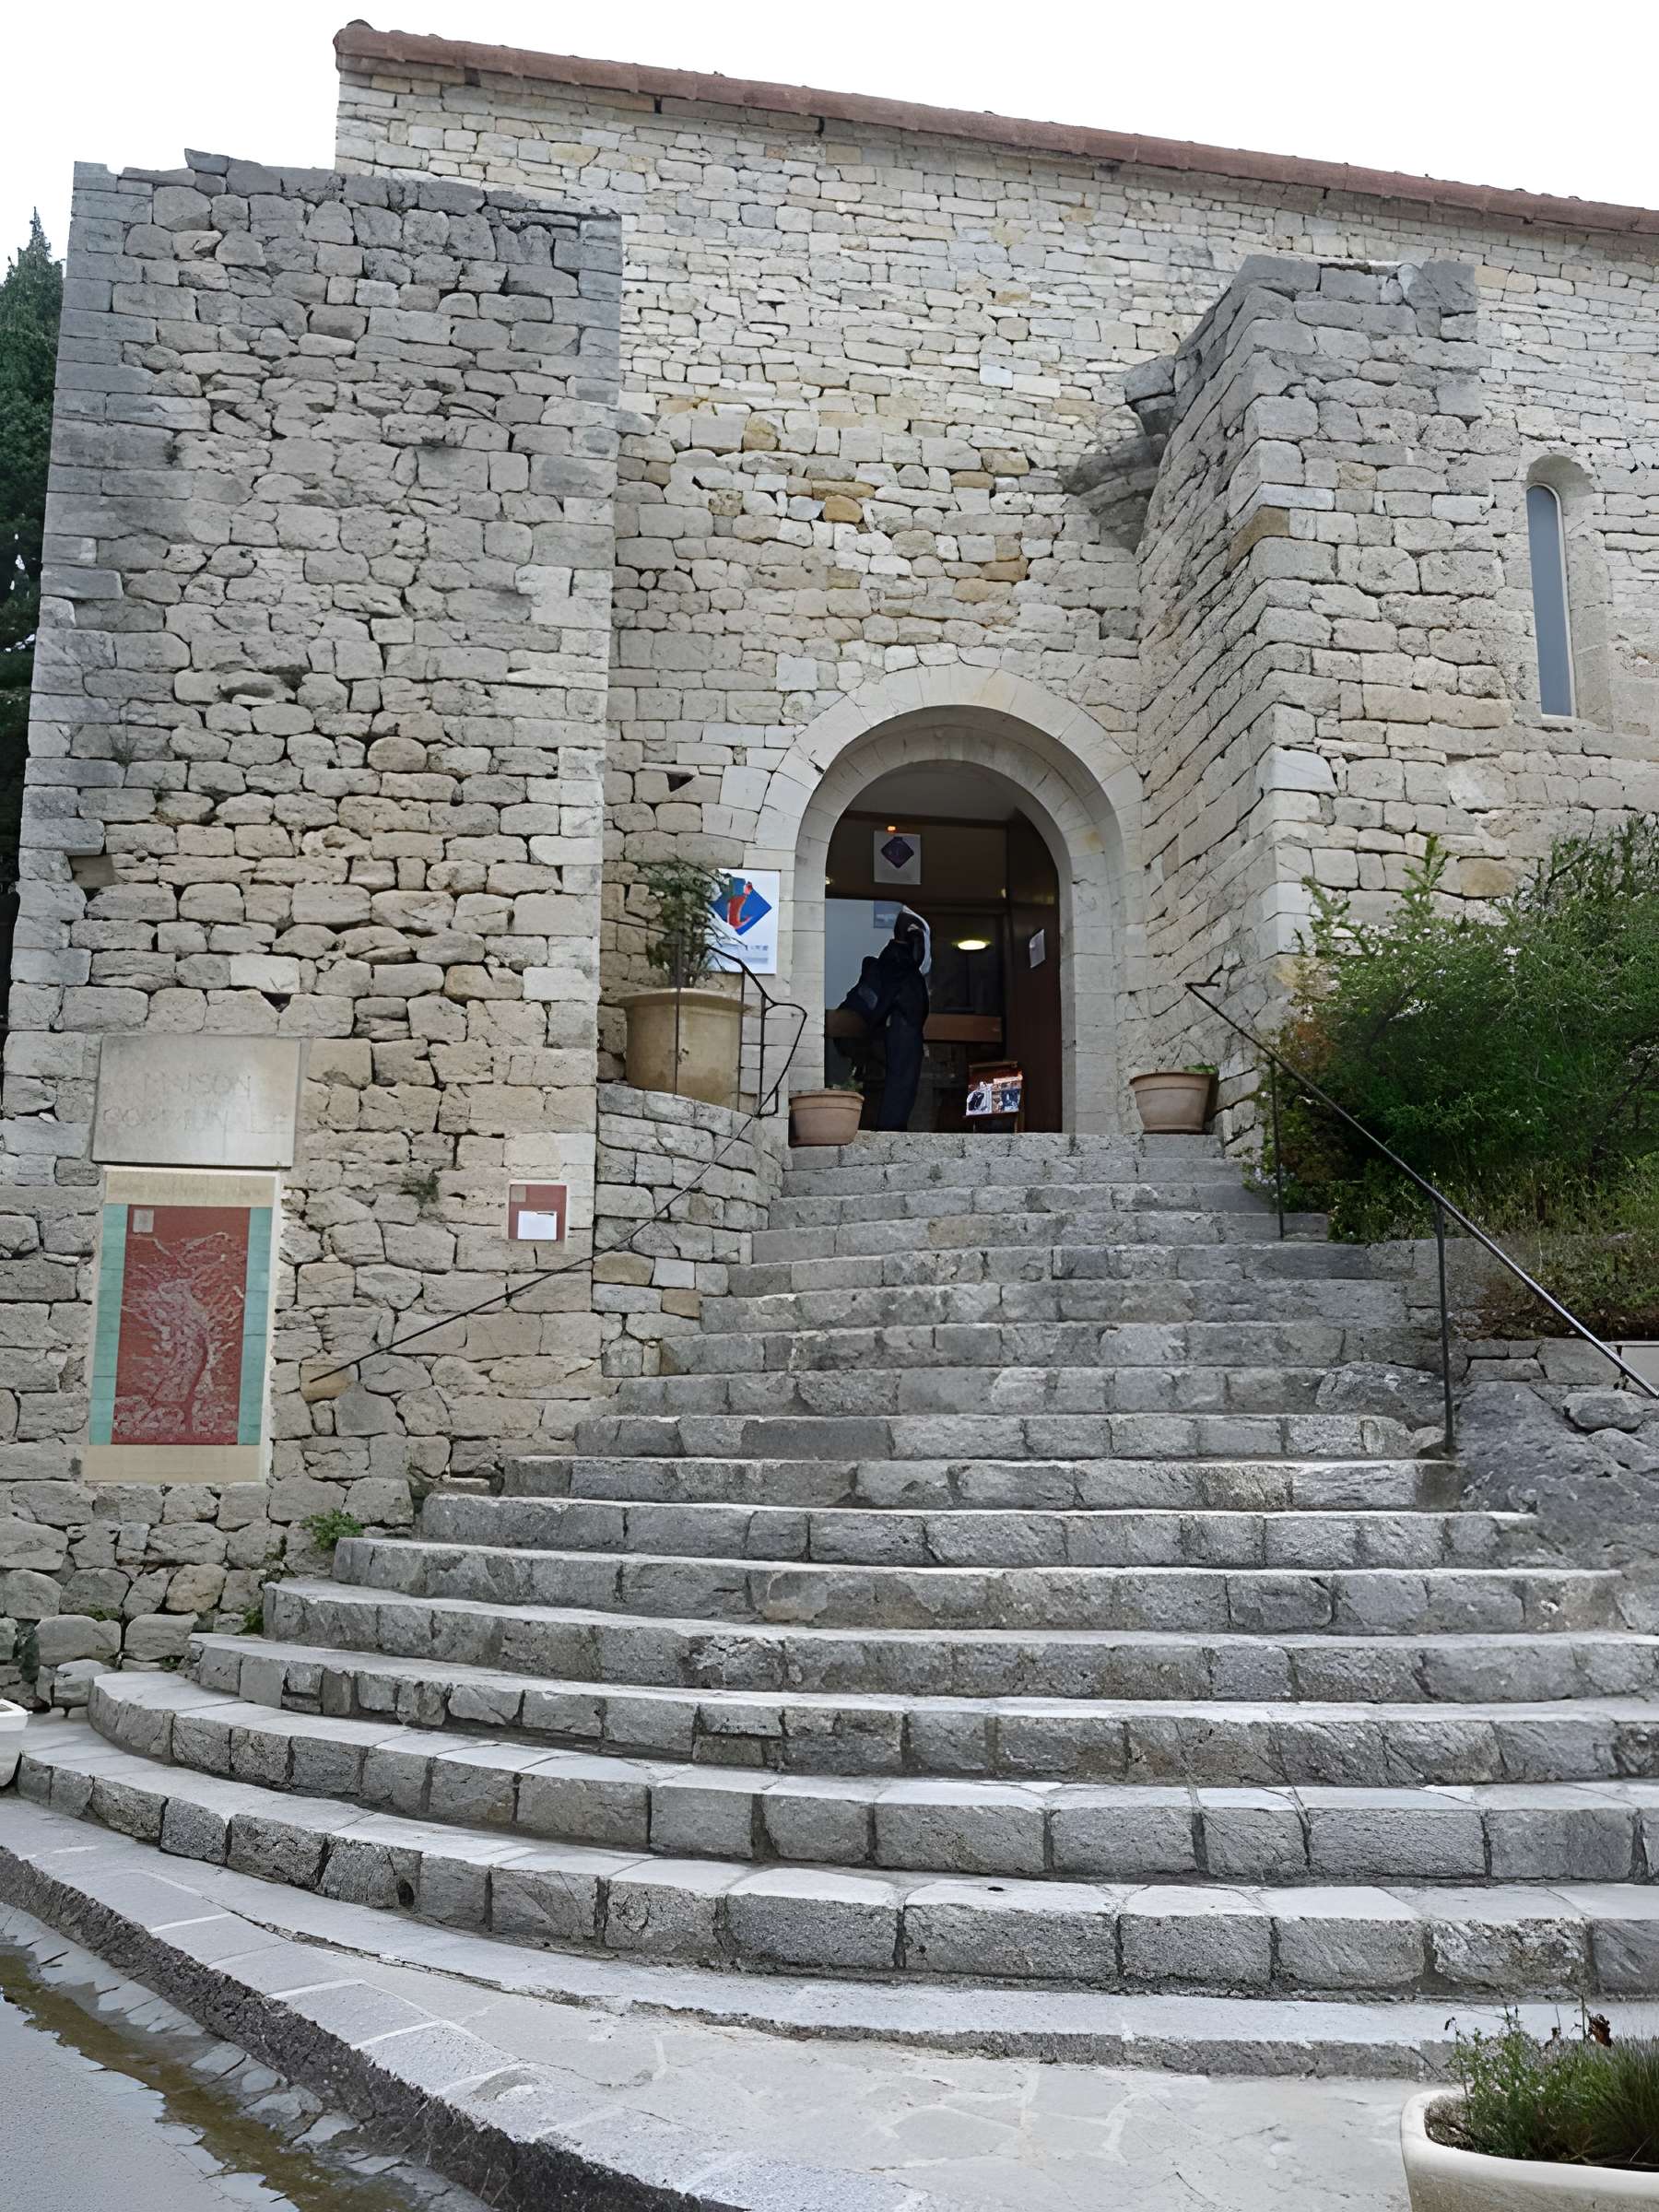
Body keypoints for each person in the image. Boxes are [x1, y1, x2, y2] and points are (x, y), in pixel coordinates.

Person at [846, 912, 930, 1131]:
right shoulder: (896, 968)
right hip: (894, 1042)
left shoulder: (896, 967)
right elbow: (864, 1003)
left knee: (894, 1093)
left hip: (894, 1043)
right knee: (894, 1094)